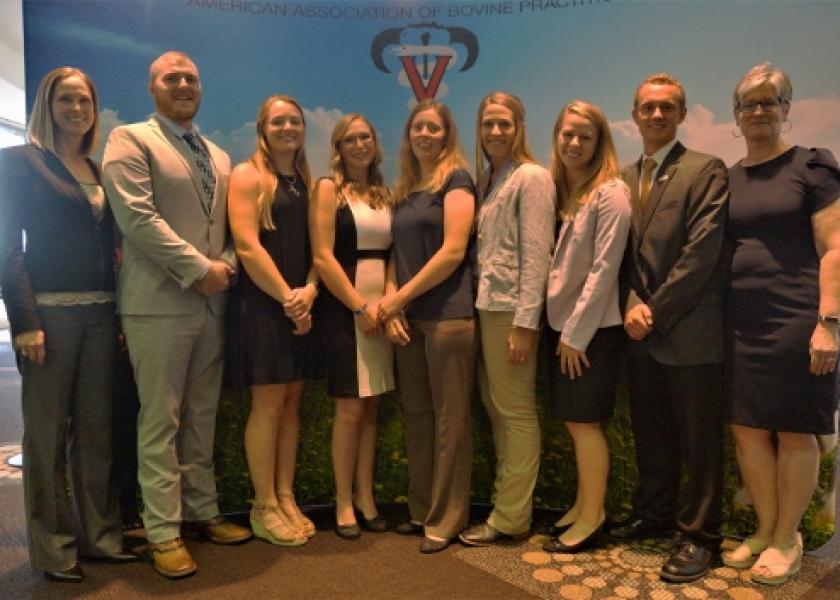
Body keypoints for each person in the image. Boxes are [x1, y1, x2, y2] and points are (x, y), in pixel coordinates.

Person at [102, 51, 251, 579]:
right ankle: (163, 532)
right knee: (160, 420)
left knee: (202, 414)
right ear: (153, 88)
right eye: (173, 78)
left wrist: (226, 268)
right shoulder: (130, 140)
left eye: (191, 77)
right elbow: (136, 218)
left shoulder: (217, 154)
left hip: (214, 303)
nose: (184, 84)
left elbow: (232, 230)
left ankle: (202, 511)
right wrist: (199, 269)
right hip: (158, 305)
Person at [0, 66, 136, 583]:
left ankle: (100, 538)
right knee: (46, 439)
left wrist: (120, 315)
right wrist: (25, 321)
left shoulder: (98, 170)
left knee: (97, 435)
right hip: (49, 319)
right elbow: (7, 247)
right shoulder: (19, 162)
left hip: (102, 315)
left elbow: (112, 248)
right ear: (47, 105)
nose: (76, 109)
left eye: (85, 100)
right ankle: (54, 550)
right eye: (65, 100)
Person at [721, 63, 840, 585]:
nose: (759, 111)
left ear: (786, 110)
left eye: (770, 102)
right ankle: (765, 529)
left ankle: (787, 537)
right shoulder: (730, 178)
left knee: (796, 432)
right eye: (749, 103)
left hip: (797, 319)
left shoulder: (812, 166)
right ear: (737, 114)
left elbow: (835, 248)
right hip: (742, 322)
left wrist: (829, 323)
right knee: (748, 428)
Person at [613, 73, 729, 583]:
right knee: (652, 435)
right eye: (647, 108)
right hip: (636, 332)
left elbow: (701, 255)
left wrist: (653, 312)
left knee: (698, 442)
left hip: (687, 330)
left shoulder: (706, 170)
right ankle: (655, 514)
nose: (657, 115)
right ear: (635, 115)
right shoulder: (618, 178)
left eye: (667, 107)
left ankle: (699, 536)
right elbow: (611, 258)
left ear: (682, 114)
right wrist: (628, 304)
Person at [378, 99, 476, 553]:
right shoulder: (407, 188)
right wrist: (395, 307)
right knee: (418, 418)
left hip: (449, 318)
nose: (424, 134)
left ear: (446, 134)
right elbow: (396, 255)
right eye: (418, 127)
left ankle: (448, 518)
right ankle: (420, 509)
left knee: (450, 421)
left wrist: (398, 298)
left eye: (433, 128)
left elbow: (453, 251)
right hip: (408, 322)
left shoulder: (457, 180)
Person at [458, 92, 555, 547]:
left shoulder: (531, 177)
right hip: (486, 308)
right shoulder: (489, 179)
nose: (495, 132)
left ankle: (512, 518)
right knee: (499, 412)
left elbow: (538, 256)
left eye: (504, 124)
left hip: (509, 314)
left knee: (515, 414)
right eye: (488, 124)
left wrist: (525, 323)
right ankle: (505, 506)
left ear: (519, 127)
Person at [227, 94, 321, 546]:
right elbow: (247, 247)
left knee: (291, 406)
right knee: (267, 407)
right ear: (263, 129)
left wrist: (311, 290)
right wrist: (289, 300)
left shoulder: (304, 180)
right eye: (279, 122)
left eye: (295, 121)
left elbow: (317, 249)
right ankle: (262, 505)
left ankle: (285, 496)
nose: (288, 128)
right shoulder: (248, 176)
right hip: (264, 309)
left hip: (300, 306)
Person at [541, 100, 631, 553]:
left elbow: (604, 269)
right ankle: (582, 504)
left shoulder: (610, 192)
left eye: (585, 136)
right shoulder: (564, 191)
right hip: (565, 328)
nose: (574, 143)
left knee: (585, 424)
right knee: (575, 423)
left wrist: (575, 335)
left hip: (592, 332)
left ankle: (593, 518)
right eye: (567, 134)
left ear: (599, 143)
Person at [310, 114, 394, 540]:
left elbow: (392, 255)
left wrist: (387, 305)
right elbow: (323, 258)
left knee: (372, 408)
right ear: (339, 148)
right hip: (346, 310)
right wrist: (360, 307)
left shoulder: (383, 193)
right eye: (350, 139)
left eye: (367, 136)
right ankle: (343, 500)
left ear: (375, 144)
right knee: (349, 408)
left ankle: (366, 497)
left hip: (383, 310)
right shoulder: (328, 189)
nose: (360, 144)